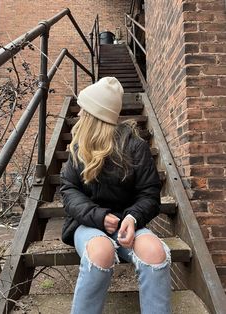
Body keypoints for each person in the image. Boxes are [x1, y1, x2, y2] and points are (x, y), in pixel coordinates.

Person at [60, 77, 171, 314]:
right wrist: (98, 217)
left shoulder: (135, 146)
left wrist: (132, 218)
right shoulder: (79, 147)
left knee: (155, 251)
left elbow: (149, 193)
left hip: (128, 225)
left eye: (84, 110)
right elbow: (69, 190)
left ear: (95, 117)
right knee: (101, 251)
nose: (79, 115)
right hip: (87, 224)